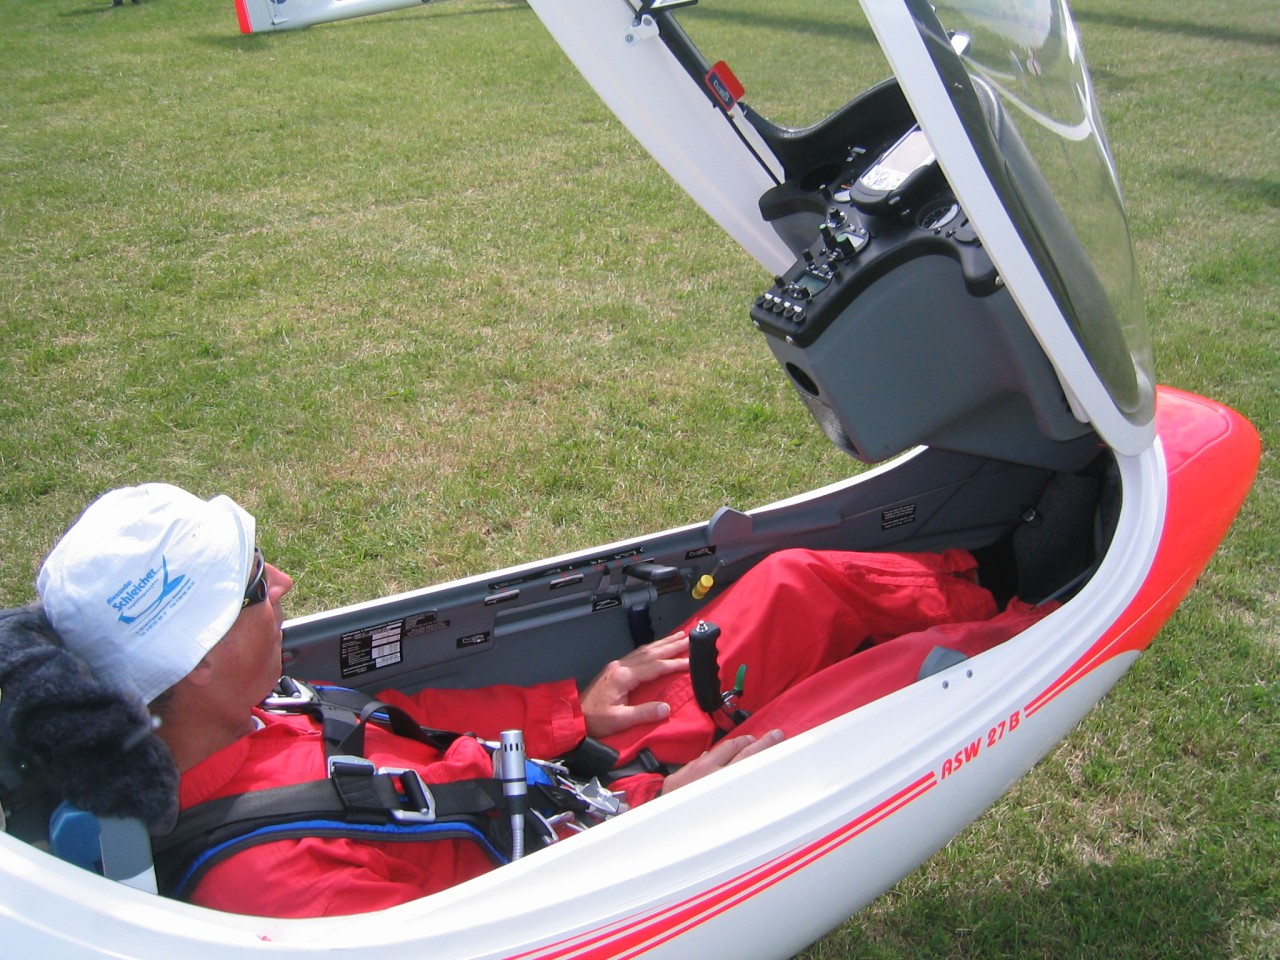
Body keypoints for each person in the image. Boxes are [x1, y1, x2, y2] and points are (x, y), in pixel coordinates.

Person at [34, 483, 1052, 917]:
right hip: (622, 848)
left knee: (794, 584)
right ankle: (1042, 625)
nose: (285, 583)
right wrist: (674, 815)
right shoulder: (270, 887)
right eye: (258, 583)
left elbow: (418, 731)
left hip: (578, 779)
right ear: (198, 658)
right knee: (892, 689)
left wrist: (577, 707)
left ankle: (994, 575)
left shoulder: (247, 709)